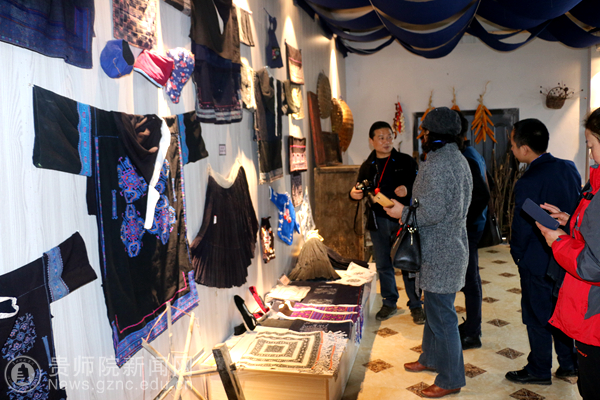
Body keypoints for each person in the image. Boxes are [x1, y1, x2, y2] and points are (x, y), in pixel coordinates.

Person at [386, 107, 472, 398]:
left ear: (434, 135)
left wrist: (402, 212)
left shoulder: (439, 164)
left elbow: (432, 212)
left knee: (442, 316)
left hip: (441, 250)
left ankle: (450, 379)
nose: (421, 136)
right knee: (434, 308)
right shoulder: (456, 158)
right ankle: (430, 357)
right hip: (449, 246)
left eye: (424, 131)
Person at [506, 118, 581, 385]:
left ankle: (538, 369)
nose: (511, 149)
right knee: (560, 309)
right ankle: (569, 364)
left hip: (537, 258)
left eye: (513, 144)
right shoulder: (569, 168)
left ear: (525, 148)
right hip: (566, 254)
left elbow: (522, 226)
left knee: (537, 314)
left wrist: (518, 255)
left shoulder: (528, 181)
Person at [536, 108, 600, 399]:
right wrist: (570, 220)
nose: (590, 154)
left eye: (591, 145)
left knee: (591, 386)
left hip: (594, 313)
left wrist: (557, 241)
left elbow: (593, 265)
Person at [349, 121, 422, 323]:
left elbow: (421, 186)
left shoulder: (406, 161)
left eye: (389, 136)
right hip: (378, 221)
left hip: (404, 220)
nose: (386, 141)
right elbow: (359, 189)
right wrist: (353, 194)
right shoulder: (367, 166)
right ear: (371, 141)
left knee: (409, 263)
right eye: (381, 138)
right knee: (383, 264)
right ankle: (389, 302)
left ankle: (416, 305)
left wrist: (407, 189)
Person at [456, 112, 490, 350]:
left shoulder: (466, 157)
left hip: (470, 227)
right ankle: (471, 327)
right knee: (471, 279)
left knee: (470, 281)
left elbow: (482, 195)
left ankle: (473, 333)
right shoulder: (471, 153)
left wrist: (463, 221)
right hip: (474, 224)